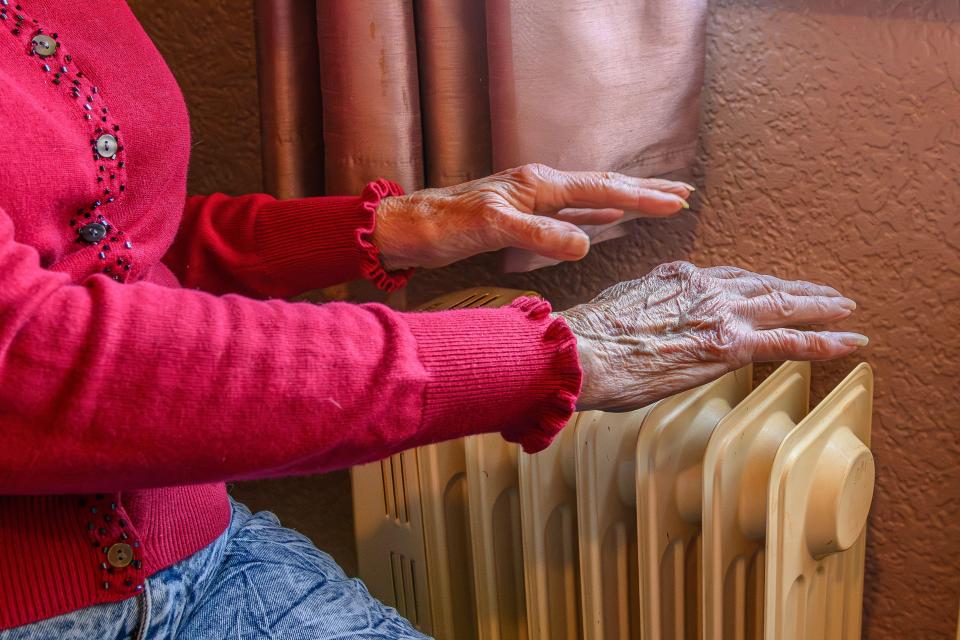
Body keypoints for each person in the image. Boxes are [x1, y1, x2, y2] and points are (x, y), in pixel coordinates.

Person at [0, 3, 866, 639]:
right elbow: (28, 363)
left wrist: (389, 229)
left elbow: (112, 251)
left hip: (203, 553)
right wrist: (553, 356)